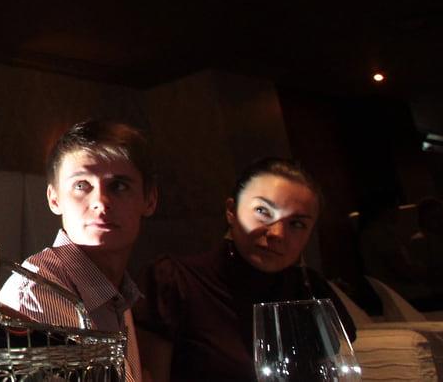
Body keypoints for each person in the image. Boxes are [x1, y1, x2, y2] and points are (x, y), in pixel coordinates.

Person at [134, 158, 357, 382]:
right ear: (232, 211)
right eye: (263, 211)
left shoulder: (310, 290)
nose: (277, 234)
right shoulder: (175, 282)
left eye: (296, 224)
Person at [0, 120, 159, 382]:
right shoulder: (36, 295)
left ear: (150, 200)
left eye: (119, 186)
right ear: (54, 199)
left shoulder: (116, 293)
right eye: (82, 185)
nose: (101, 202)